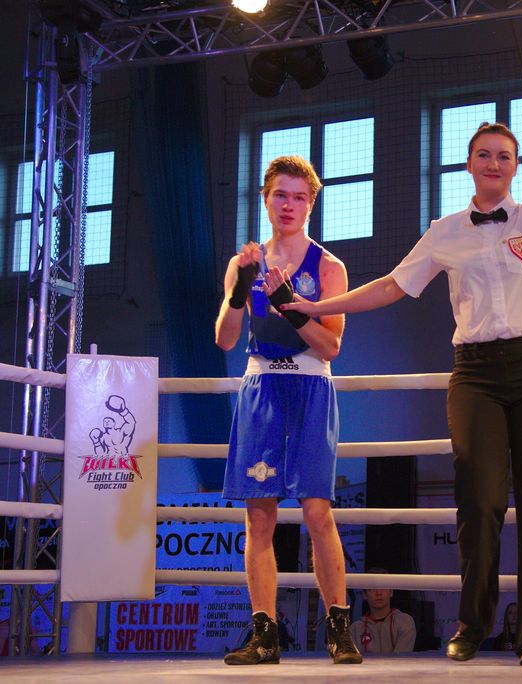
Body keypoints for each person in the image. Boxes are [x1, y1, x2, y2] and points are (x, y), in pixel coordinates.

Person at [270, 31, 522, 660]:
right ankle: (472, 625)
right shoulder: (445, 232)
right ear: (468, 164)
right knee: (478, 501)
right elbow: (390, 286)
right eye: (484, 155)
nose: (494, 164)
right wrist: (315, 307)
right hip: (476, 375)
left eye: (505, 156)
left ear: (516, 166)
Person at [214, 155, 362, 666]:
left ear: (311, 204)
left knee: (318, 511)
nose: (289, 205)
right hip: (261, 386)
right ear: (265, 198)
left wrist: (290, 305)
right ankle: (264, 635)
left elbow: (331, 347)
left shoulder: (329, 268)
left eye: (299, 197)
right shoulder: (243, 263)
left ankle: (339, 629)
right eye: (281, 194)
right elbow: (225, 338)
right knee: (259, 516)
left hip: (310, 387)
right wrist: (241, 289)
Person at [350, 569, 417, 654]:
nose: (379, 593)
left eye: (383, 586)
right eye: (373, 588)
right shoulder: (355, 629)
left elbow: (400, 659)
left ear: (391, 592)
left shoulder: (405, 621)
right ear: (364, 594)